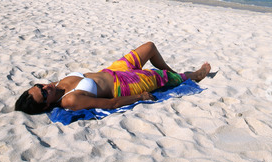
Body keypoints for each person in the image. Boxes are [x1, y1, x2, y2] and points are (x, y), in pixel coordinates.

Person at [15, 41, 211, 115]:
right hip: (124, 85)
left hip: (113, 69)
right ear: (46, 106)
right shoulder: (70, 100)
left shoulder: (56, 85)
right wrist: (139, 97)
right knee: (160, 77)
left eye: (38, 86)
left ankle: (174, 75)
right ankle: (194, 76)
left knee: (149, 47)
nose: (45, 87)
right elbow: (110, 103)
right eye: (43, 94)